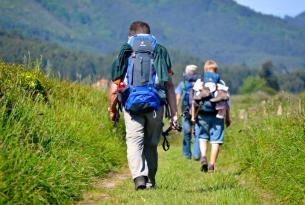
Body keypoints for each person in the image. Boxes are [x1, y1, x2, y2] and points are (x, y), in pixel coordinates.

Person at [108, 21, 178, 190]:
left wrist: (112, 109)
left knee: (134, 141)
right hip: (156, 105)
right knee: (151, 144)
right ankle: (150, 181)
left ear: (130, 35)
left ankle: (139, 176)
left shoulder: (125, 50)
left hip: (131, 104)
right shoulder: (160, 51)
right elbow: (169, 85)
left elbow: (115, 84)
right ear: (149, 34)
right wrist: (174, 114)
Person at [191, 60, 231, 172]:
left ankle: (203, 156)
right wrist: (228, 118)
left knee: (202, 137)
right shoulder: (221, 82)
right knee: (216, 141)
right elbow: (227, 102)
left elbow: (193, 101)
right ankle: (212, 165)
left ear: (205, 69)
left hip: (203, 113)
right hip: (218, 115)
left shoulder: (200, 81)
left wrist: (193, 116)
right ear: (216, 70)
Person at [175, 65, 201, 160]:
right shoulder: (200, 84)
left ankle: (186, 155)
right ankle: (196, 154)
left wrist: (175, 111)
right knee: (197, 133)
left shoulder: (183, 84)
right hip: (198, 111)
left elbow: (177, 97)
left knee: (186, 133)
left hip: (185, 111)